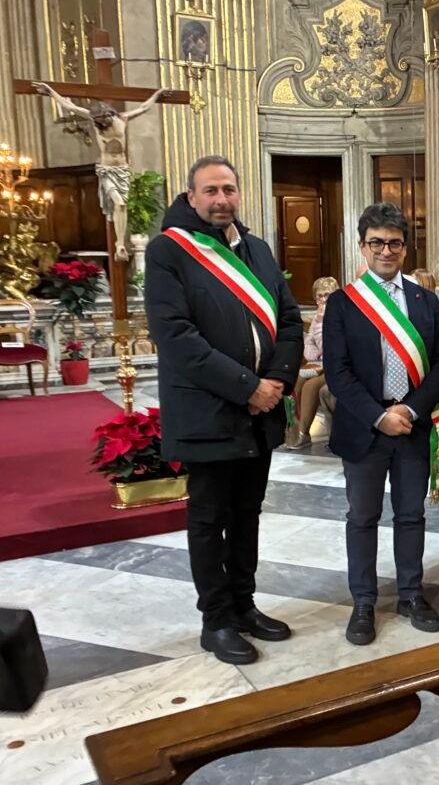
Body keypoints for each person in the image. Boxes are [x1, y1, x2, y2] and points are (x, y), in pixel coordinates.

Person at [145, 155, 303, 665]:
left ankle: (244, 605)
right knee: (209, 519)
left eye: (229, 189)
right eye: (210, 191)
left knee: (248, 514)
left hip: (260, 412)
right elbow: (176, 337)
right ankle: (215, 621)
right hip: (207, 411)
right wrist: (247, 387)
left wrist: (277, 380)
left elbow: (289, 319)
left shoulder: (257, 249)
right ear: (191, 197)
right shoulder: (169, 251)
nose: (221, 199)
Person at [323, 202, 439, 646]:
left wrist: (411, 410)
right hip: (365, 426)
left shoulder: (425, 301)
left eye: (394, 243)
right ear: (362, 246)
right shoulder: (343, 303)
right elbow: (337, 371)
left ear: (405, 247)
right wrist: (379, 416)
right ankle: (363, 601)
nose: (385, 250)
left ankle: (411, 594)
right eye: (376, 242)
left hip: (412, 425)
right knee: (362, 516)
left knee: (411, 515)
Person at [32, 81, 169, 262]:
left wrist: (158, 94)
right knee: (118, 202)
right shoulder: (95, 121)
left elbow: (143, 107)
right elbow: (69, 106)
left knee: (122, 205)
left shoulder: (122, 119)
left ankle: (120, 243)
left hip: (122, 170)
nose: (102, 124)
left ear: (109, 114)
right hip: (107, 171)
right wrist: (51, 92)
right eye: (99, 122)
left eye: (104, 120)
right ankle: (119, 244)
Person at [287, 276, 339, 449]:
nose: (323, 300)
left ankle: (304, 433)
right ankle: (294, 428)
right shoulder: (317, 317)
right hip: (320, 363)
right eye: (320, 296)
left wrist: (323, 323)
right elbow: (309, 342)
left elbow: (330, 346)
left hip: (336, 365)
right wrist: (314, 355)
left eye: (327, 295)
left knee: (311, 387)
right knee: (297, 381)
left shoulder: (338, 315)